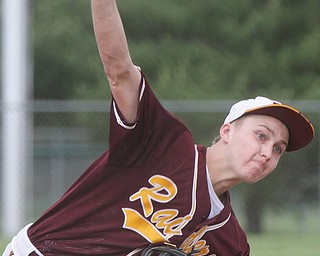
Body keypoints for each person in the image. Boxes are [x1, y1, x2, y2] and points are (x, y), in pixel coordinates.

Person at [3, 0, 314, 255]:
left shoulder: (231, 243)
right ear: (227, 131)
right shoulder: (164, 142)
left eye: (278, 149)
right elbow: (119, 72)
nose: (267, 153)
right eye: (261, 135)